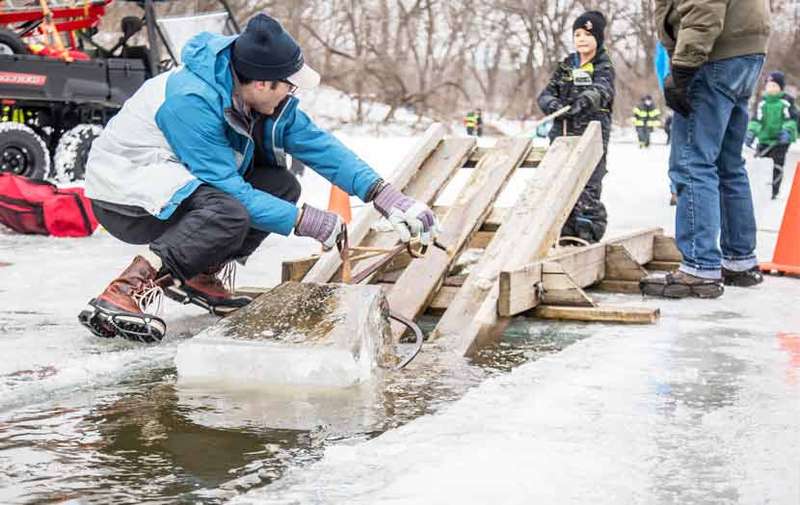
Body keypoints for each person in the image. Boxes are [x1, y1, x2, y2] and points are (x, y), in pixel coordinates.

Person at [78, 13, 439, 342]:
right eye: (289, 86)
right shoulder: (190, 99)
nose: (291, 94)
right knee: (229, 211)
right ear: (264, 83)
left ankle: (197, 273)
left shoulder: (258, 97)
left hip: (174, 181)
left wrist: (386, 196)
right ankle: (124, 290)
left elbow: (320, 147)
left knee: (282, 187)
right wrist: (302, 220)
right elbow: (229, 191)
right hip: (124, 190)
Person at [641, 0, 771, 298]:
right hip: (744, 51)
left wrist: (684, 67)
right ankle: (739, 259)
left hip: (714, 53)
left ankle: (699, 266)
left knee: (692, 161)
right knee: (728, 162)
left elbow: (704, 8)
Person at [537, 10, 615, 244]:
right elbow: (546, 93)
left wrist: (584, 102)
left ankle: (587, 234)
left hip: (591, 135)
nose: (581, 39)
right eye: (577, 34)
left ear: (598, 38)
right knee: (560, 184)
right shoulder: (566, 65)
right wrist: (553, 104)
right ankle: (564, 232)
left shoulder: (603, 65)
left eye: (587, 35)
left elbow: (603, 90)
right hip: (562, 135)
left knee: (587, 185)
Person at [745, 71, 798, 199]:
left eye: (774, 86)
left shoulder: (786, 102)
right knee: (761, 162)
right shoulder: (762, 103)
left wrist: (787, 131)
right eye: (769, 85)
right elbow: (757, 120)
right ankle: (759, 186)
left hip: (780, 141)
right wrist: (751, 132)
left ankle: (775, 189)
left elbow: (791, 119)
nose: (771, 88)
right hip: (765, 139)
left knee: (777, 165)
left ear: (781, 87)